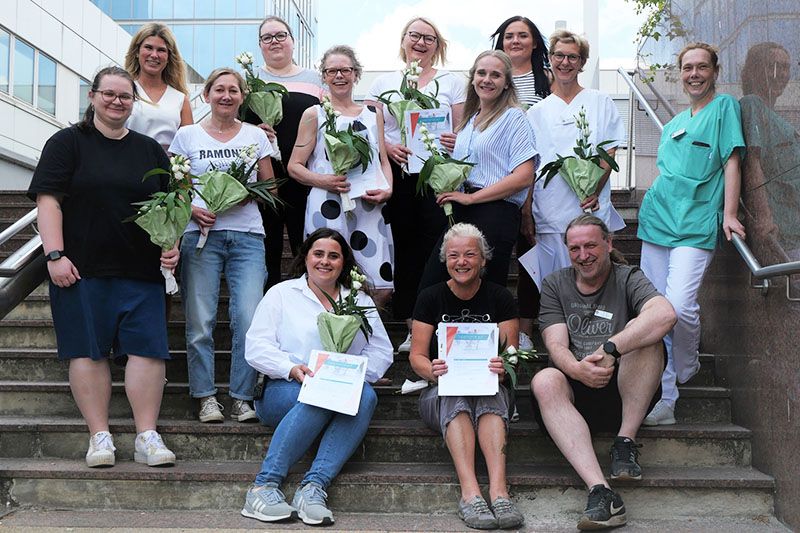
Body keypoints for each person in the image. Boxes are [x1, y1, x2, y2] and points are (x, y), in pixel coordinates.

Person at [27, 66, 178, 468]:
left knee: (148, 352)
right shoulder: (67, 143)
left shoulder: (149, 150)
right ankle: (100, 437)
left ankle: (147, 436)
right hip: (81, 270)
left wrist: (172, 247)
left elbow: (170, 207)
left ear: (134, 102)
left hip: (142, 271)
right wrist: (54, 256)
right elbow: (49, 201)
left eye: (125, 96)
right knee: (88, 353)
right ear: (92, 97)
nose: (116, 101)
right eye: (108, 94)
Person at [531, 214, 676, 530]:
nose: (583, 256)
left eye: (591, 246)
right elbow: (555, 345)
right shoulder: (555, 283)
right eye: (574, 248)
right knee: (544, 379)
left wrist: (610, 349)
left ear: (609, 244)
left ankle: (625, 442)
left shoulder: (628, 277)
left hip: (624, 393)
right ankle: (602, 492)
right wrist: (577, 369)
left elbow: (665, 314)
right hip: (572, 399)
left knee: (646, 336)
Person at [241, 228, 393, 525]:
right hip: (282, 389)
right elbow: (256, 346)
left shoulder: (358, 299)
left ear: (344, 262)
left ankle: (313, 488)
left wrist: (358, 373)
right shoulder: (282, 294)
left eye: (333, 256)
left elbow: (381, 350)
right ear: (306, 258)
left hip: (338, 389)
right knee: (321, 394)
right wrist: (291, 368)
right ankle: (263, 486)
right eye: (318, 254)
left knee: (366, 395)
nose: (325, 261)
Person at [638, 43, 746, 427]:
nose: (694, 74)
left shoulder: (724, 108)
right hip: (657, 221)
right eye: (687, 68)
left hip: (697, 222)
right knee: (655, 312)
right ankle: (665, 399)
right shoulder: (673, 123)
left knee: (680, 306)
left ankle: (686, 365)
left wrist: (729, 213)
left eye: (702, 67)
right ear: (680, 73)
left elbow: (732, 158)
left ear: (715, 71)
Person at [169, 68, 275, 424]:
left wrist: (241, 195)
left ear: (243, 97)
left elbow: (271, 189)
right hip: (200, 237)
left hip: (247, 237)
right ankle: (206, 397)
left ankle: (242, 397)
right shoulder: (186, 136)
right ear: (206, 95)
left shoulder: (255, 136)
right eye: (219, 90)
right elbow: (176, 188)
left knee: (247, 319)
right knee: (200, 322)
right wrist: (195, 209)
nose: (226, 96)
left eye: (233, 90)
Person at [409, 223, 524, 530]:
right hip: (440, 391)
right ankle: (470, 494)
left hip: (488, 387)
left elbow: (512, 355)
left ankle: (499, 493)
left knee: (493, 395)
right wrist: (430, 371)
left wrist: (503, 367)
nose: (461, 261)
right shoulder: (430, 298)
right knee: (453, 393)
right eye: (454, 255)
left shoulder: (500, 297)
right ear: (445, 260)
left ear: (483, 260)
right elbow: (416, 356)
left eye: (470, 254)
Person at [365, 17, 466, 352]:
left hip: (438, 175)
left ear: (438, 47)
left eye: (429, 38)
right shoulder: (383, 82)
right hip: (401, 174)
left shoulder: (451, 81)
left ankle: (437, 321)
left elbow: (462, 126)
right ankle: (410, 325)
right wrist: (388, 147)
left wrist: (453, 138)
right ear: (403, 40)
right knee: (405, 248)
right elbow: (370, 127)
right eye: (415, 36)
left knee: (438, 248)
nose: (421, 43)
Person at [418, 50, 538, 293]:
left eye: (496, 75)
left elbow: (524, 176)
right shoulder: (469, 122)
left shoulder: (514, 118)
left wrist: (471, 197)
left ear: (506, 84)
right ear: (472, 79)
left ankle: (494, 332)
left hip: (496, 211)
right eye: (481, 73)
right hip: (463, 210)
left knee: (486, 290)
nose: (487, 79)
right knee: (434, 285)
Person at [288, 45, 394, 308]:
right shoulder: (314, 114)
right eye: (331, 71)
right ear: (323, 76)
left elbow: (383, 161)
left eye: (345, 70)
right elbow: (295, 166)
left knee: (378, 283)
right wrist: (323, 181)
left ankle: (365, 339)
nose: (339, 76)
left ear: (356, 74)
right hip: (327, 205)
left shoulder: (373, 114)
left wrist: (388, 189)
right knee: (326, 275)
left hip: (369, 204)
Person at [526, 30, 626, 283]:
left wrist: (595, 189)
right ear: (550, 58)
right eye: (559, 55)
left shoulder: (600, 102)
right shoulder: (536, 111)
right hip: (549, 211)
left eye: (573, 57)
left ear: (582, 62)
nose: (565, 62)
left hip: (590, 209)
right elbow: (530, 165)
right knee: (554, 284)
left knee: (594, 281)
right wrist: (527, 213)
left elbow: (609, 152)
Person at [245, 16, 328, 291]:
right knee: (265, 244)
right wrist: (254, 129)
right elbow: (231, 121)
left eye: (280, 35)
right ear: (259, 45)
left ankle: (307, 297)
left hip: (306, 174)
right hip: (263, 177)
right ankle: (267, 303)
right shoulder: (249, 80)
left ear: (293, 42)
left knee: (304, 242)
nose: (275, 42)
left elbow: (332, 121)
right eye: (267, 38)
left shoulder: (316, 80)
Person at [491, 15, 552, 349]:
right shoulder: (490, 78)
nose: (515, 41)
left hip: (539, 182)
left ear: (534, 42)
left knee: (531, 257)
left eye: (523, 35)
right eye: (509, 35)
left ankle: (526, 329)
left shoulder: (549, 81)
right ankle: (496, 328)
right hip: (497, 182)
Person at [739, 42, 800, 264]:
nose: (780, 74)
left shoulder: (778, 119)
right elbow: (751, 161)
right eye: (772, 66)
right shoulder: (752, 105)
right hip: (783, 236)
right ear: (754, 70)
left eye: (785, 67)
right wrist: (763, 218)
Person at [125, 22, 193, 151]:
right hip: (127, 165)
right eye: (148, 48)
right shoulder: (124, 91)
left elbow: (188, 147)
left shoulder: (180, 99)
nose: (154, 55)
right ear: (136, 52)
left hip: (166, 168)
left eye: (161, 50)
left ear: (168, 57)